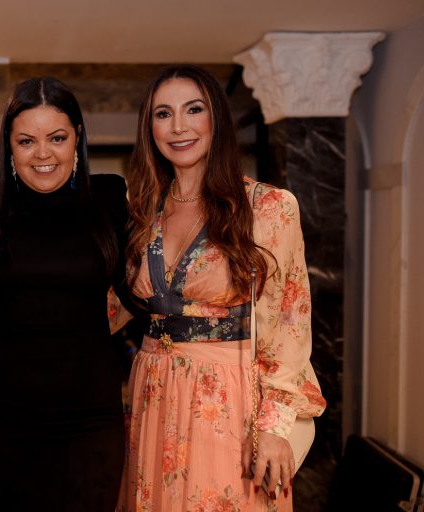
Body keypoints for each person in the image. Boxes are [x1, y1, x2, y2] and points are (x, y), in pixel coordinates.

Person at [117, 65, 327, 511]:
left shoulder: (268, 207)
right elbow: (115, 306)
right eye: (163, 114)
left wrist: (274, 426)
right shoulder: (144, 211)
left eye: (194, 110)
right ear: (149, 128)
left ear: (218, 120)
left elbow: (290, 321)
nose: (179, 126)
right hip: (153, 392)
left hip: (228, 401)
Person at [0, 77, 130, 512]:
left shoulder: (109, 197)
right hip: (4, 416)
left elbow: (140, 292)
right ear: (9, 146)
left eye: (57, 138)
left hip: (90, 415)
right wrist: (8, 310)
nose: (43, 154)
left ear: (77, 138)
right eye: (26, 141)